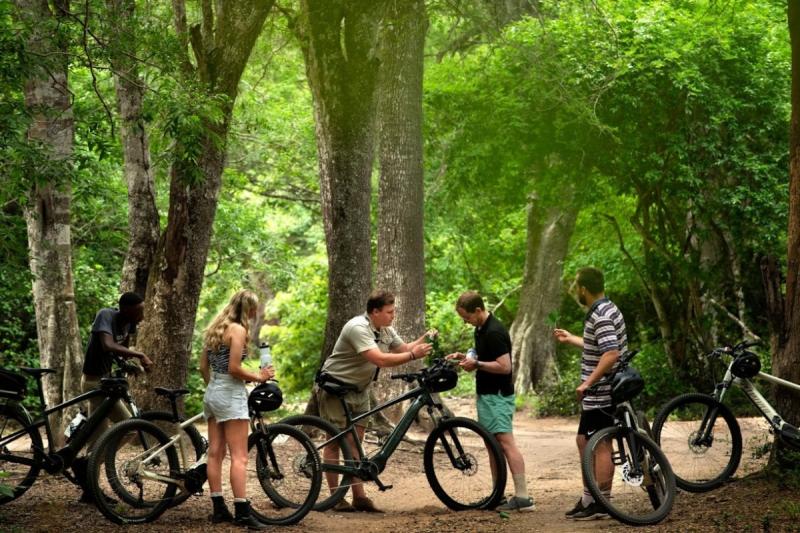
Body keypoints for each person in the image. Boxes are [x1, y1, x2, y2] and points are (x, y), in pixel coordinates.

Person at [315, 289, 434, 513]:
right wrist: (413, 355)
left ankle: (359, 497)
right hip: (335, 388)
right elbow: (380, 359)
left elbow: (404, 349)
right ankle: (336, 499)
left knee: (355, 443)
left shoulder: (385, 329)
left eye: (394, 311)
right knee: (334, 442)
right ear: (375, 312)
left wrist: (423, 340)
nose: (393, 315)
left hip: (360, 390)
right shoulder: (357, 327)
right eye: (389, 312)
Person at [446, 291, 534, 513]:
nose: (466, 322)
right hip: (486, 395)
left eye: (467, 317)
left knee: (506, 442)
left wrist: (476, 365)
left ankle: (523, 497)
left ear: (478, 310)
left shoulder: (494, 331)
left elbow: (505, 367)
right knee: (492, 444)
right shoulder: (481, 328)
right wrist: (466, 357)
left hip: (498, 396)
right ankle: (498, 494)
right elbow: (482, 354)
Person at [553, 266, 628, 521]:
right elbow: (600, 344)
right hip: (597, 392)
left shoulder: (601, 315)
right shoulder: (604, 309)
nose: (576, 291)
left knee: (600, 444)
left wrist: (587, 383)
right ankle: (589, 498)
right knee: (584, 441)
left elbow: (611, 353)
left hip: (602, 391)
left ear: (584, 289)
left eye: (577, 287)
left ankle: (602, 503)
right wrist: (571, 338)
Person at [199, 290, 273, 529]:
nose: (255, 313)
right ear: (248, 309)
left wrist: (214, 388)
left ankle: (219, 508)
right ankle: (242, 512)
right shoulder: (238, 330)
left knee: (215, 453)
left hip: (213, 391)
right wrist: (259, 377)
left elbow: (203, 367)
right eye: (254, 308)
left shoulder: (216, 328)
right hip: (230, 393)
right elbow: (234, 368)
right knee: (239, 456)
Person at [74, 291, 152, 503]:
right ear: (126, 309)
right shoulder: (106, 315)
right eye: (139, 311)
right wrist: (140, 355)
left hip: (106, 383)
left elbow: (117, 352)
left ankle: (89, 480)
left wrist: (128, 365)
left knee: (104, 435)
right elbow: (107, 345)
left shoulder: (128, 325)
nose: (142, 316)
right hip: (93, 383)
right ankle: (86, 469)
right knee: (124, 428)